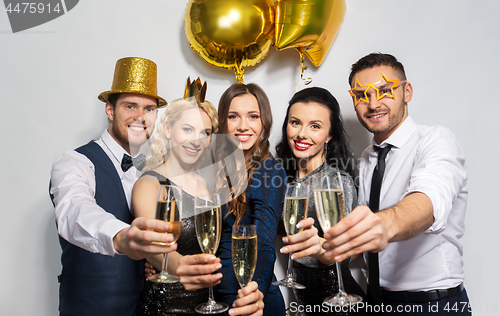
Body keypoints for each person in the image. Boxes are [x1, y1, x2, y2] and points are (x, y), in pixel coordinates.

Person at [322, 53, 470, 315]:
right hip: (377, 302)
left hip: (433, 305)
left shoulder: (436, 141)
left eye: (384, 91)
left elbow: (428, 200)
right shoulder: (368, 158)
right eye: (361, 95)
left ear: (407, 91)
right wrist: (327, 248)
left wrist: (384, 224)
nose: (373, 104)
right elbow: (369, 242)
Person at [50, 57, 176, 316]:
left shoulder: (150, 172)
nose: (140, 117)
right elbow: (74, 211)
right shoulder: (75, 161)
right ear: (110, 110)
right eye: (130, 106)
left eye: (149, 109)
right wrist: (121, 237)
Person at [132, 83, 264, 316]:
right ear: (168, 129)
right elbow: (150, 246)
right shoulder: (149, 184)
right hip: (167, 307)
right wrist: (177, 266)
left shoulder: (210, 182)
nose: (197, 140)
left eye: (206, 132)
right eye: (188, 129)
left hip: (211, 305)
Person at [176, 83, 287, 316]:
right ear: (223, 123)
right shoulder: (215, 168)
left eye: (253, 116)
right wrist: (162, 259)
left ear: (264, 122)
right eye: (233, 116)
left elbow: (265, 245)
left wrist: (253, 295)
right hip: (216, 299)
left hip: (250, 302)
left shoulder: (268, 169)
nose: (243, 126)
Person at [275, 87, 366, 315]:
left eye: (315, 126)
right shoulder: (284, 180)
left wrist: (319, 249)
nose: (302, 134)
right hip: (304, 306)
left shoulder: (336, 182)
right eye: (295, 122)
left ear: (329, 135)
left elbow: (344, 251)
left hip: (340, 306)